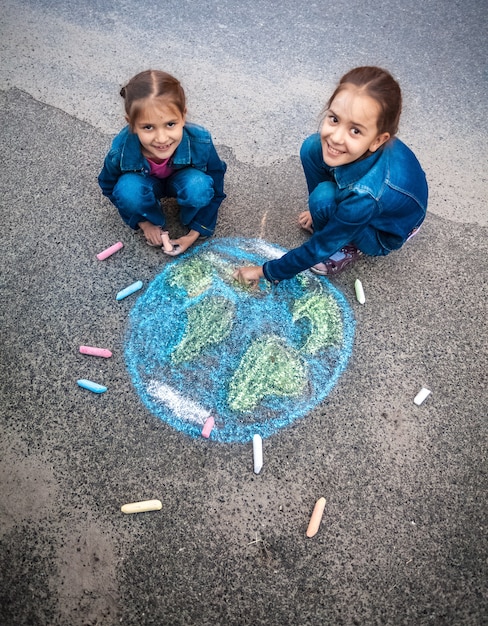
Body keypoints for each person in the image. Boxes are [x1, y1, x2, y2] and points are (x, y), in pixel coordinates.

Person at [233, 66, 428, 286]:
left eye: (355, 130)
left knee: (323, 198)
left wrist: (265, 271)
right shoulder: (367, 148)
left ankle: (345, 245)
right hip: (389, 199)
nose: (335, 137)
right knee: (312, 147)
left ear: (378, 140)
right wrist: (320, 214)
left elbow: (320, 246)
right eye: (334, 119)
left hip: (384, 232)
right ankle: (329, 216)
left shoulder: (365, 195)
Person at [98, 69, 226, 254]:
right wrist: (145, 223)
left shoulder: (200, 140)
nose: (161, 138)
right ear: (132, 124)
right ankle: (152, 215)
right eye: (148, 127)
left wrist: (194, 233)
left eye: (170, 124)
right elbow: (108, 184)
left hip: (183, 181)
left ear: (183, 116)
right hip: (144, 184)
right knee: (128, 190)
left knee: (199, 186)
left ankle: (189, 216)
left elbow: (216, 187)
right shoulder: (120, 150)